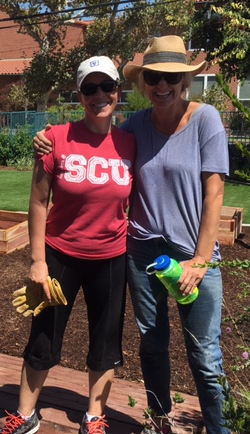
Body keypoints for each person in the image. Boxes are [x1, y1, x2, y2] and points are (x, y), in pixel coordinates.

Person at [34, 36, 230, 434]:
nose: (162, 85)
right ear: (143, 82)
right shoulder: (135, 126)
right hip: (142, 253)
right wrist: (48, 137)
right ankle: (159, 421)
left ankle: (219, 428)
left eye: (171, 77)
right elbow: (96, 141)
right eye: (154, 77)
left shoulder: (206, 119)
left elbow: (215, 194)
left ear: (185, 80)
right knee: (153, 344)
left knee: (205, 355)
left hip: (193, 253)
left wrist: (200, 261)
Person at [0, 56, 136, 434]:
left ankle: (94, 416)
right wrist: (37, 261)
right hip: (61, 256)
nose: (99, 95)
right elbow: (38, 202)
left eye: (106, 86)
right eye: (89, 88)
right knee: (43, 335)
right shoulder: (55, 139)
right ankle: (25, 414)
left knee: (106, 341)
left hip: (111, 258)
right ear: (79, 94)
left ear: (117, 91)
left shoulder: (129, 143)